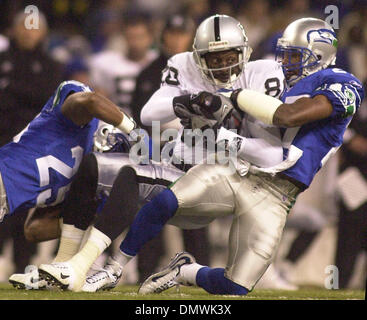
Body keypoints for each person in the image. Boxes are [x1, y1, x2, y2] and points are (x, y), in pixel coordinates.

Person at [37, 14, 287, 292]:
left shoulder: (263, 74)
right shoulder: (183, 65)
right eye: (213, 60)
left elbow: (272, 155)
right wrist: (189, 100)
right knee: (93, 166)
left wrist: (222, 136)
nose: (223, 67)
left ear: (245, 53)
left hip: (226, 182)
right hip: (179, 169)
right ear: (198, 58)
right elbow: (149, 113)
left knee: (132, 176)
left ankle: (94, 268)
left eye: (229, 57)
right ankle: (65, 264)